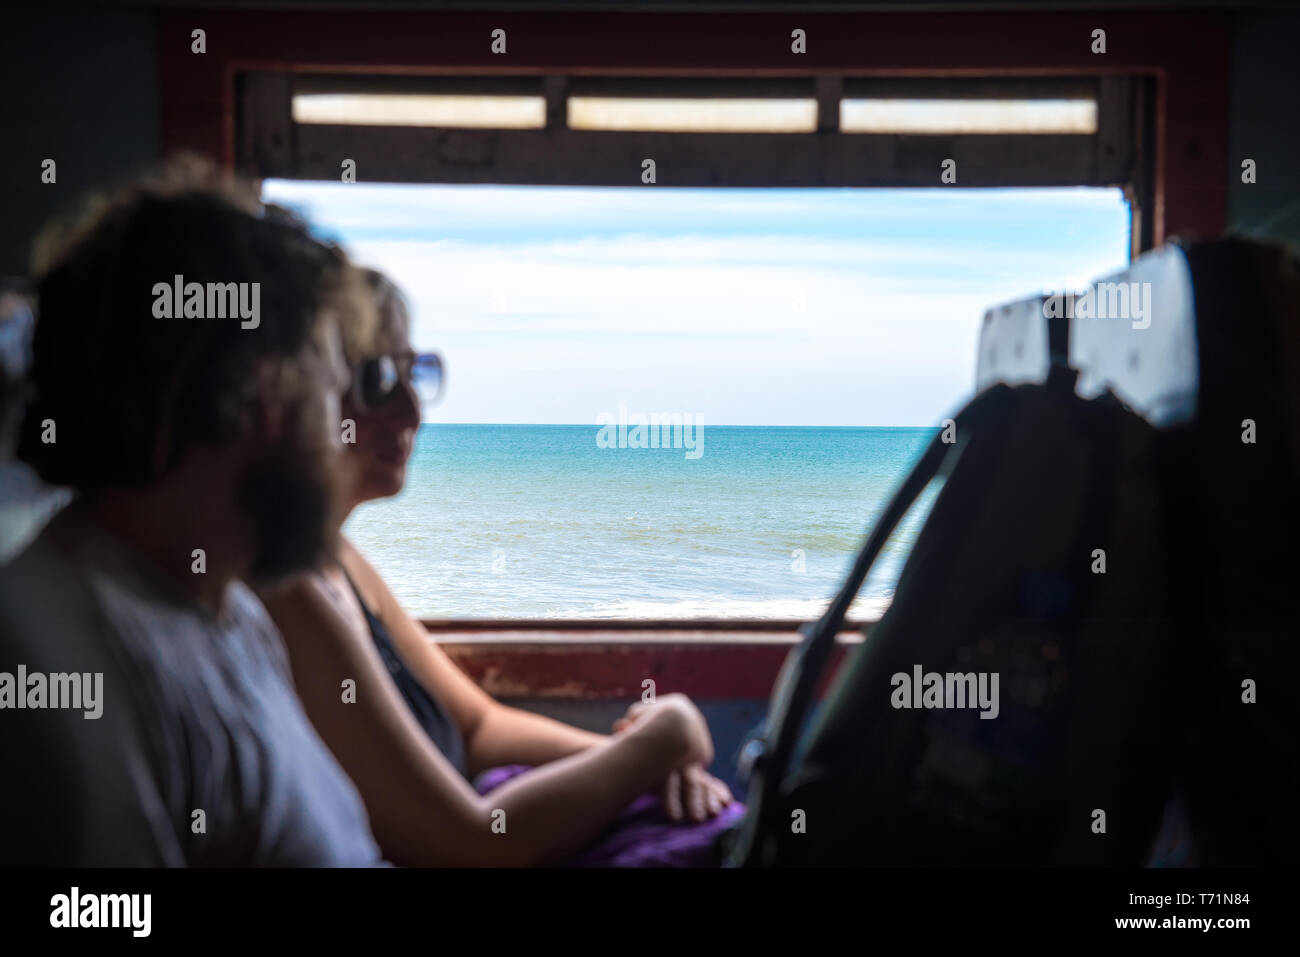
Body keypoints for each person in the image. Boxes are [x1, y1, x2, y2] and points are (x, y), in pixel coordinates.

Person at [262, 270, 744, 867]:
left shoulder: (340, 562)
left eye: (415, 374)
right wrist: (662, 737)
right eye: (378, 378)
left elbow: (479, 729)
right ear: (307, 392)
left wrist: (649, 766)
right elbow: (469, 844)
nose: (411, 409)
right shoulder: (285, 590)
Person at [0, 159, 385, 866]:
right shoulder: (67, 668)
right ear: (268, 392)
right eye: (334, 395)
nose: (344, 437)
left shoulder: (224, 605)